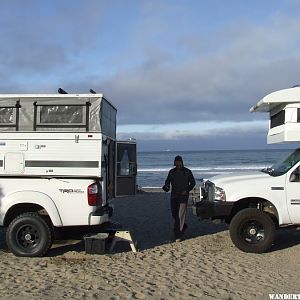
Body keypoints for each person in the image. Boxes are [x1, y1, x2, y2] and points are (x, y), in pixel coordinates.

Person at [162, 155, 195, 241]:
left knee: (180, 216)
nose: (177, 163)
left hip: (183, 197)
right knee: (174, 214)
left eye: (178, 161)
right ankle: (184, 226)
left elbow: (193, 183)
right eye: (176, 162)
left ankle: (178, 235)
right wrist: (167, 185)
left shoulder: (187, 172)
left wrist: (187, 190)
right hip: (174, 196)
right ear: (174, 163)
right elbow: (167, 181)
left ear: (181, 162)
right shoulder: (172, 172)